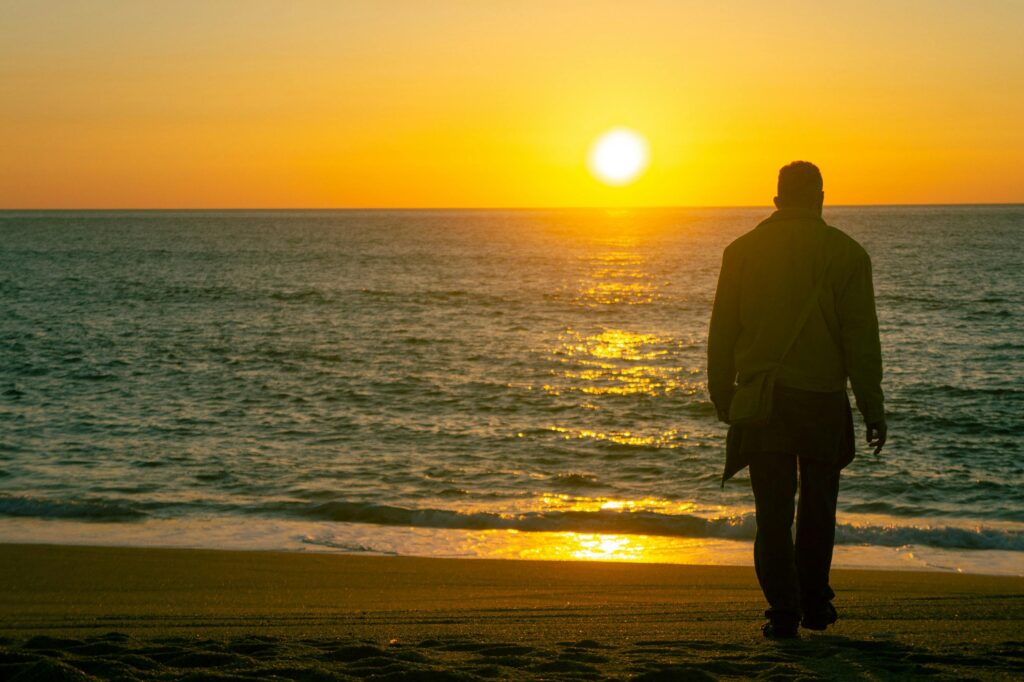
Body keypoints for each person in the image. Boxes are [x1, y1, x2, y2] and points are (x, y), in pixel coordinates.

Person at [706, 161, 886, 639]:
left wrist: (722, 392)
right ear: (821, 198)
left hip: (763, 400)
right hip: (823, 399)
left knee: (773, 513)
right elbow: (861, 341)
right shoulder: (847, 254)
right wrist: (872, 405)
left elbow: (722, 333)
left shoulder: (741, 251)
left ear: (777, 200)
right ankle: (814, 603)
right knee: (818, 508)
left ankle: (782, 611)